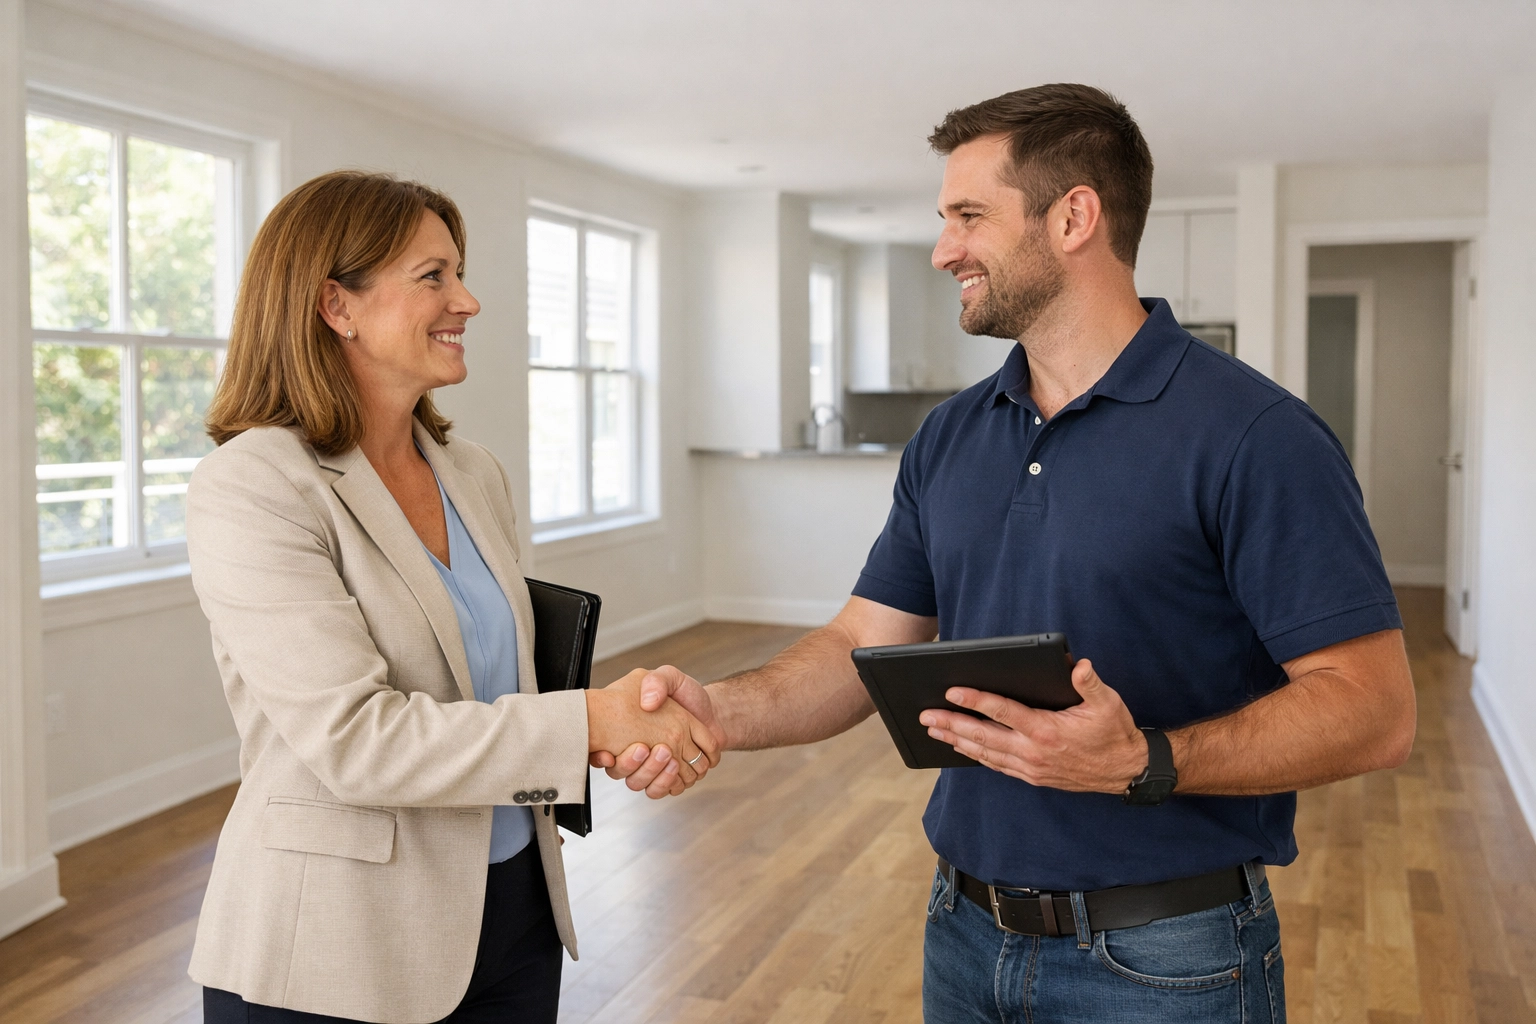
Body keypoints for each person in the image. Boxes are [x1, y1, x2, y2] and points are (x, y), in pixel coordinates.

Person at [599, 84, 1416, 1023]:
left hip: (1169, 960)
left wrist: (1144, 759)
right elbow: (864, 642)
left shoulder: (1255, 436)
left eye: (969, 217)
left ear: (1073, 216)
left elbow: (1375, 710)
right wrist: (721, 710)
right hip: (963, 931)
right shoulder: (952, 435)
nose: (944, 249)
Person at [187, 170, 719, 1024]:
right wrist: (593, 722)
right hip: (339, 939)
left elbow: (492, 687)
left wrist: (611, 731)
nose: (466, 300)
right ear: (336, 305)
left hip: (513, 911)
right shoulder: (252, 484)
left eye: (458, 272)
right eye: (433, 276)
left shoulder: (472, 472)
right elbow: (358, 741)